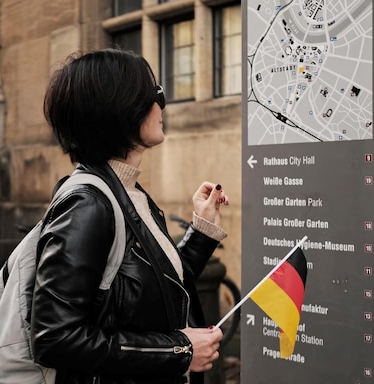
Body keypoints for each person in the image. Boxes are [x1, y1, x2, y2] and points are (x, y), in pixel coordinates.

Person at [33, 48, 229, 384]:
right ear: (119, 108)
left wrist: (203, 228)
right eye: (153, 94)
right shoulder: (88, 203)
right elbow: (55, 337)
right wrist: (179, 350)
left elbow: (153, 293)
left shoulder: (130, 194)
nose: (162, 104)